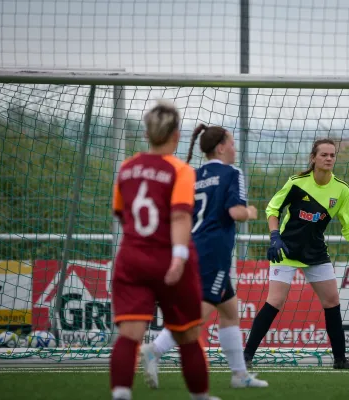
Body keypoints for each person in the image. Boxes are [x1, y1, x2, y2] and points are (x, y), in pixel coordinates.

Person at [140, 124, 268, 389]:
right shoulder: (232, 172)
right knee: (196, 315)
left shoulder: (195, 175)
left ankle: (239, 375)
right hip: (214, 251)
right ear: (220, 147)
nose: (234, 148)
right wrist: (252, 212)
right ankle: (156, 349)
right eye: (231, 143)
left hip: (193, 246)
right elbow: (235, 212)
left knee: (230, 311)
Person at [109, 102, 219, 400]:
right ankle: (200, 397)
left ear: (147, 133)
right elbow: (181, 216)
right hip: (170, 259)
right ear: (177, 135)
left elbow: (121, 213)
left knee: (129, 336)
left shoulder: (127, 167)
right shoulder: (180, 170)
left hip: (132, 258)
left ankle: (120, 395)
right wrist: (179, 257)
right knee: (187, 335)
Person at [243, 138, 349, 370]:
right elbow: (273, 209)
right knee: (275, 300)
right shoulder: (296, 183)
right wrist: (275, 237)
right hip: (287, 250)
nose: (329, 159)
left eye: (332, 155)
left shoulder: (342, 190)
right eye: (324, 155)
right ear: (313, 158)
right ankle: (246, 356)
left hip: (316, 253)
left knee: (332, 301)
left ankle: (340, 359)